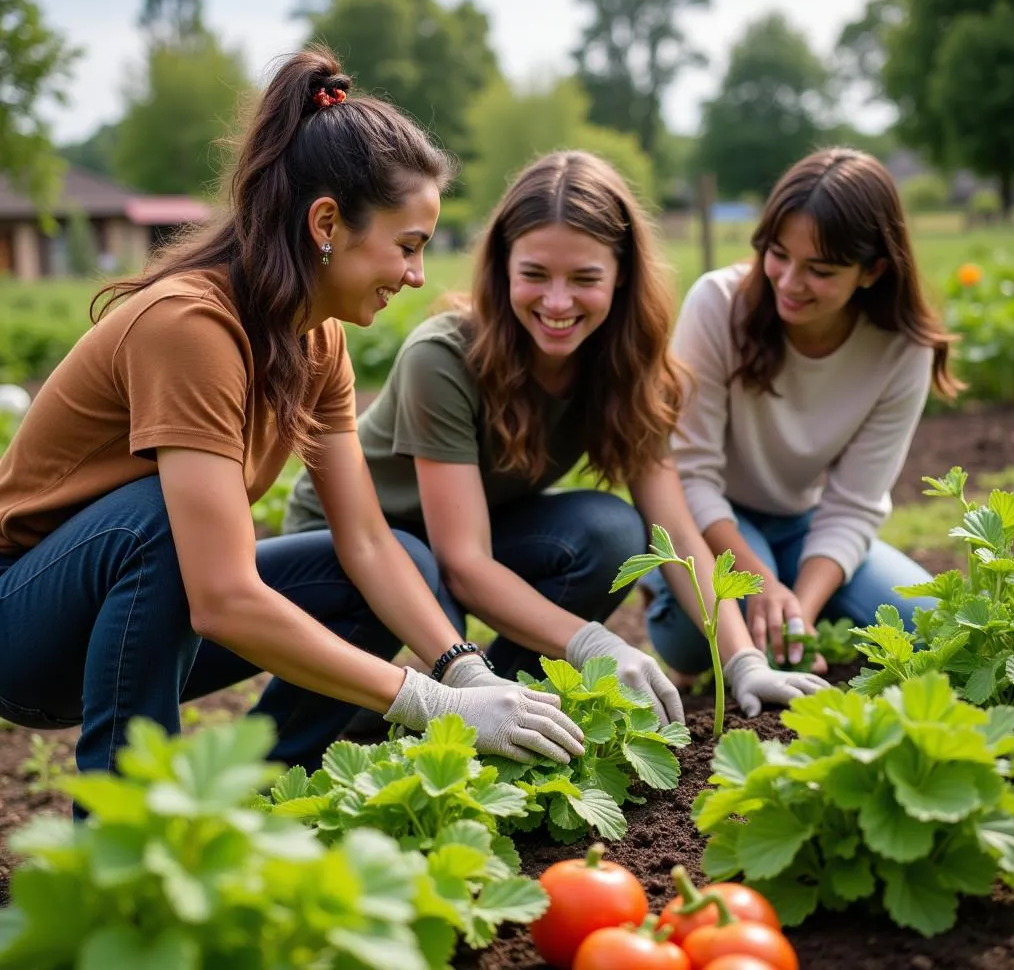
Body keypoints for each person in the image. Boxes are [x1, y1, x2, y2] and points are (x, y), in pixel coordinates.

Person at [0, 46, 589, 792]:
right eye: (407, 246)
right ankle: (123, 848)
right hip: (25, 629)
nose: (416, 274)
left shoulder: (318, 339)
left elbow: (366, 541)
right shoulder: (190, 327)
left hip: (139, 615)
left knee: (401, 559)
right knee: (158, 519)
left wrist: (463, 672)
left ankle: (270, 788)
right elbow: (220, 597)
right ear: (327, 223)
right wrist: (425, 702)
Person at [285, 150, 826, 721]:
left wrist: (742, 660)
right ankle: (424, 706)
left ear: (622, 276)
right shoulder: (442, 357)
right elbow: (462, 561)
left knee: (609, 531)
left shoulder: (625, 366)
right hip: (352, 551)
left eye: (585, 278)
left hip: (447, 548)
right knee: (390, 658)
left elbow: (673, 528)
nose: (558, 302)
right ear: (503, 268)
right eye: (535, 275)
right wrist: (595, 643)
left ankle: (513, 706)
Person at [644, 147, 961, 678]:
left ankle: (796, 590)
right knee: (707, 634)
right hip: (711, 514)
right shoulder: (718, 305)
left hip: (804, 524)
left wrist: (798, 614)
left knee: (933, 629)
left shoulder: (903, 350)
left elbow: (855, 504)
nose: (789, 282)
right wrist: (764, 588)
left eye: (820, 269)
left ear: (872, 270)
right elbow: (691, 476)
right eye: (778, 254)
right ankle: (684, 593)